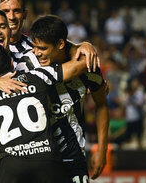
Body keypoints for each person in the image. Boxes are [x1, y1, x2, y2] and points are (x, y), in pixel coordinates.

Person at [0, 43, 88, 183]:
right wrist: (84, 46)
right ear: (12, 64)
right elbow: (79, 66)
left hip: (12, 167)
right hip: (46, 161)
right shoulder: (38, 75)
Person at [29, 15, 109, 181]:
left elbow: (101, 104)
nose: (36, 53)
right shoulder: (28, 63)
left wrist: (102, 149)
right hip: (38, 156)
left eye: (42, 48)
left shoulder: (89, 67)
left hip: (74, 155)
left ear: (60, 44)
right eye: (34, 46)